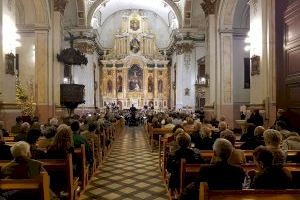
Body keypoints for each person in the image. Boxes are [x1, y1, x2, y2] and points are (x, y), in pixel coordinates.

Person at [180, 138, 245, 200]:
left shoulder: (205, 169)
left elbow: (197, 186)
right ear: (230, 154)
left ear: (214, 153)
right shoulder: (238, 170)